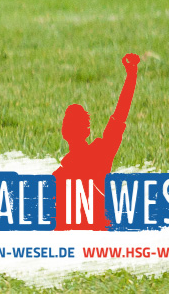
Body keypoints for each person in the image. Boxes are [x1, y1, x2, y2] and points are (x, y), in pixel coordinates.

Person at [55, 53, 141, 230]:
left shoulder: (60, 175)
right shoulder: (101, 153)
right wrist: (131, 75)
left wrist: (132, 76)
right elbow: (120, 115)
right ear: (87, 130)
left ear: (64, 132)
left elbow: (120, 115)